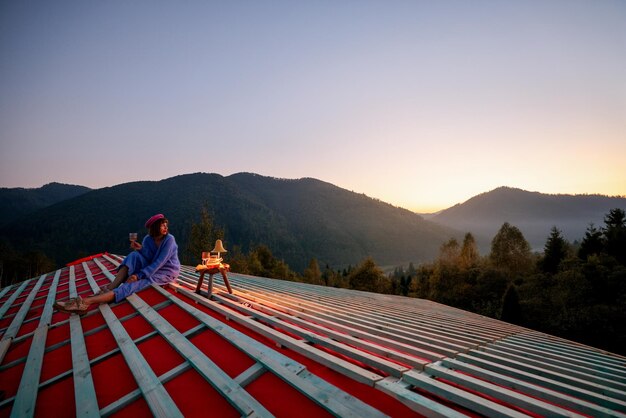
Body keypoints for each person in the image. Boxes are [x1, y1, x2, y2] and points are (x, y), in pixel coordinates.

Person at [54, 213, 181, 315]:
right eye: (162, 225)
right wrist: (140, 249)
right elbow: (150, 257)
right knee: (133, 255)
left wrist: (138, 275)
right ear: (155, 227)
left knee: (133, 285)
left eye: (166, 225)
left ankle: (85, 302)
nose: (166, 228)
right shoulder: (148, 239)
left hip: (166, 271)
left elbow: (159, 262)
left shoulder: (169, 240)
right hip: (152, 265)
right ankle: (111, 287)